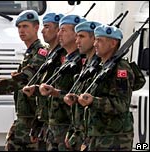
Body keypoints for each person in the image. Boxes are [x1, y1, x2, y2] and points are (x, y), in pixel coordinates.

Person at [0, 10, 48, 151]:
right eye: (19, 27)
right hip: (24, 120)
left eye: (25, 26)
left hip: (33, 121)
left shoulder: (41, 53)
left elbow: (22, 80)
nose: (21, 30)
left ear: (36, 28)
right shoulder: (29, 54)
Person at [77, 24, 135, 151]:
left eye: (100, 40)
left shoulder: (121, 69)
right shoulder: (101, 67)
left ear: (113, 43)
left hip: (114, 139)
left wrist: (94, 101)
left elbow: (121, 104)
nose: (95, 44)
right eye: (95, 40)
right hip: (98, 136)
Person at [39, 14, 86, 151]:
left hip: (68, 127)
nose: (59, 34)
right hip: (55, 127)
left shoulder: (81, 63)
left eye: (63, 30)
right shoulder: (64, 60)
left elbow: (78, 96)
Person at [22, 12, 66, 151]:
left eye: (47, 27)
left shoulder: (64, 58)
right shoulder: (48, 55)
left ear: (58, 30)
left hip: (60, 125)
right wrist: (38, 123)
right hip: (46, 123)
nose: (42, 30)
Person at [63, 20, 102, 151]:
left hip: (98, 136)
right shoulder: (86, 65)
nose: (77, 41)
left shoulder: (102, 67)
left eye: (82, 36)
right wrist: (72, 130)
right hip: (81, 134)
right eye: (77, 36)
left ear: (94, 39)